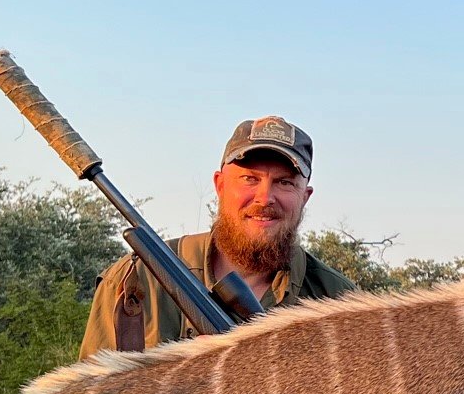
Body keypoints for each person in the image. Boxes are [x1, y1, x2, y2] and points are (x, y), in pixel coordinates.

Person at [80, 116, 356, 355]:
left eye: (284, 183)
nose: (265, 197)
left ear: (304, 197)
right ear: (220, 185)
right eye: (250, 179)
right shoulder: (134, 281)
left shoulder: (339, 302)